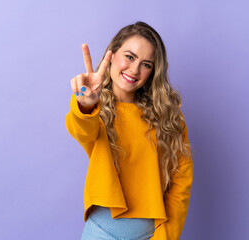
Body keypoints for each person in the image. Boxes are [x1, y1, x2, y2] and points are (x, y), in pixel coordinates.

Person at [66, 21, 194, 240]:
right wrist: (86, 104)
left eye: (146, 64)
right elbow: (82, 130)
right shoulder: (92, 109)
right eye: (129, 56)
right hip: (101, 232)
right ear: (112, 54)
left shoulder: (168, 116)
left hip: (149, 233)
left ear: (153, 72)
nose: (134, 69)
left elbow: (181, 182)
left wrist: (165, 237)